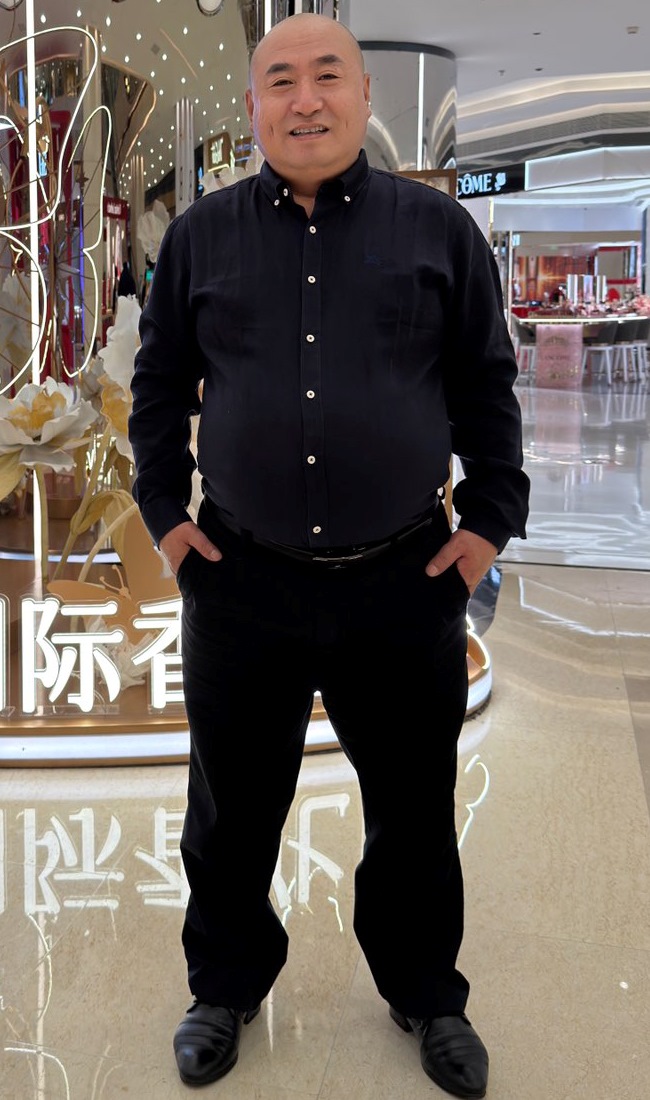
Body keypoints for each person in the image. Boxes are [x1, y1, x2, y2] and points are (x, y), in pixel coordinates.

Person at [128, 14, 529, 1099]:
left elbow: (484, 384)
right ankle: (224, 986)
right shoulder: (201, 237)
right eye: (279, 80)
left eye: (325, 76)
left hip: (404, 579)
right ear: (253, 107)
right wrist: (166, 516)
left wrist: (488, 520)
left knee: (414, 808)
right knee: (228, 807)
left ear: (362, 95)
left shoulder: (438, 231)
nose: (303, 99)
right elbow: (157, 387)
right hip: (241, 577)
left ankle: (425, 991)